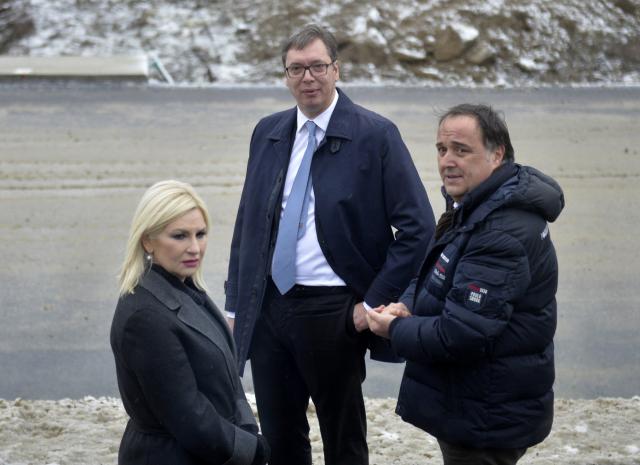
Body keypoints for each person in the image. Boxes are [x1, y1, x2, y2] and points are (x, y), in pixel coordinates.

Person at [225, 24, 435, 465]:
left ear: (336, 70)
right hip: (269, 309)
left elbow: (418, 228)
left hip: (334, 313)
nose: (308, 78)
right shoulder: (268, 132)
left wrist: (371, 304)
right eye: (297, 69)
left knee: (344, 443)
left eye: (318, 66)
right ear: (285, 75)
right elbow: (249, 224)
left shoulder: (376, 135)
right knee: (280, 441)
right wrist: (235, 304)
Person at [367, 104, 564, 465]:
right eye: (442, 149)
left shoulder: (500, 231)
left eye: (461, 150)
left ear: (497, 154)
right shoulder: (475, 208)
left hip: (487, 414)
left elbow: (461, 334)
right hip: (473, 402)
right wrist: (407, 304)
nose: (447, 161)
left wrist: (393, 329)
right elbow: (435, 272)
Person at [110, 180, 269, 465]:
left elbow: (230, 379)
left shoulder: (187, 290)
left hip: (211, 451)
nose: (194, 248)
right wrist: (251, 450)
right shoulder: (145, 317)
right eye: (180, 236)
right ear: (147, 240)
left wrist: (247, 430)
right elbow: (189, 416)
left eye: (200, 234)